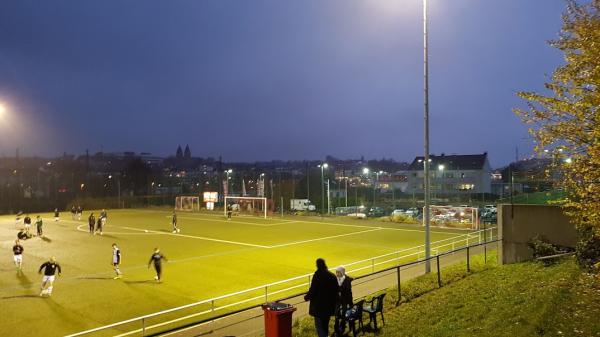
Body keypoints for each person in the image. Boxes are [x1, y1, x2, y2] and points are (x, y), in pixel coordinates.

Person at [304, 258, 338, 337]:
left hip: (319, 308)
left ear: (318, 265)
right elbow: (336, 290)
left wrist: (306, 297)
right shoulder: (332, 275)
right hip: (329, 307)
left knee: (319, 327)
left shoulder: (317, 276)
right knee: (325, 325)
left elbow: (313, 290)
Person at [334, 266, 354, 336]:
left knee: (344, 313)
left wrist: (351, 303)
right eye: (336, 272)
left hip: (345, 300)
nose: (337, 274)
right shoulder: (334, 280)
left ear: (342, 273)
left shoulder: (347, 280)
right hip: (337, 300)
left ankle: (342, 326)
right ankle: (336, 328)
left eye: (338, 272)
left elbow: (349, 292)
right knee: (336, 314)